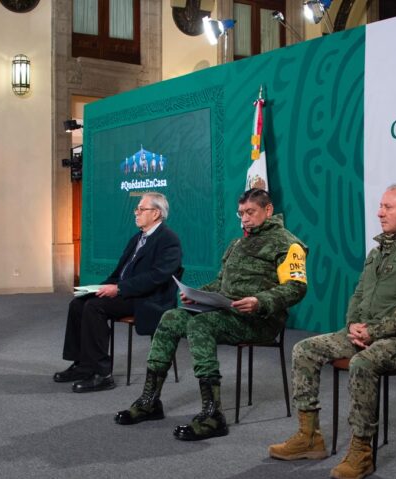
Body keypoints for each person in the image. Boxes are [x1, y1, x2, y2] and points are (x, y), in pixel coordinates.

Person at [268, 184, 396, 479]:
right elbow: (359, 293)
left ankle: (362, 452)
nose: (380, 212)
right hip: (365, 333)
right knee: (304, 350)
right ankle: (309, 436)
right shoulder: (377, 252)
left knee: (363, 362)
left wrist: (374, 331)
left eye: (387, 207)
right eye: (380, 206)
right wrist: (353, 325)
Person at [114, 188, 308, 442]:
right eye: (241, 213)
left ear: (268, 210)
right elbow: (220, 284)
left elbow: (296, 287)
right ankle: (150, 400)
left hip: (260, 320)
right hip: (228, 313)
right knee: (171, 317)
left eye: (251, 212)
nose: (245, 219)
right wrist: (196, 294)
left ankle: (212, 414)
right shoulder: (237, 244)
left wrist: (260, 301)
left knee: (201, 325)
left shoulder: (289, 244)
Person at [54, 192, 182, 392]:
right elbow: (120, 272)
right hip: (128, 292)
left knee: (94, 307)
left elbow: (157, 277)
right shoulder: (137, 238)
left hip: (148, 298)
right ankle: (81, 365)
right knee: (79, 303)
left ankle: (102, 374)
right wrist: (97, 288)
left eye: (141, 209)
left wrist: (120, 288)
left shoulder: (168, 239)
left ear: (156, 213)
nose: (136, 213)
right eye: (136, 209)